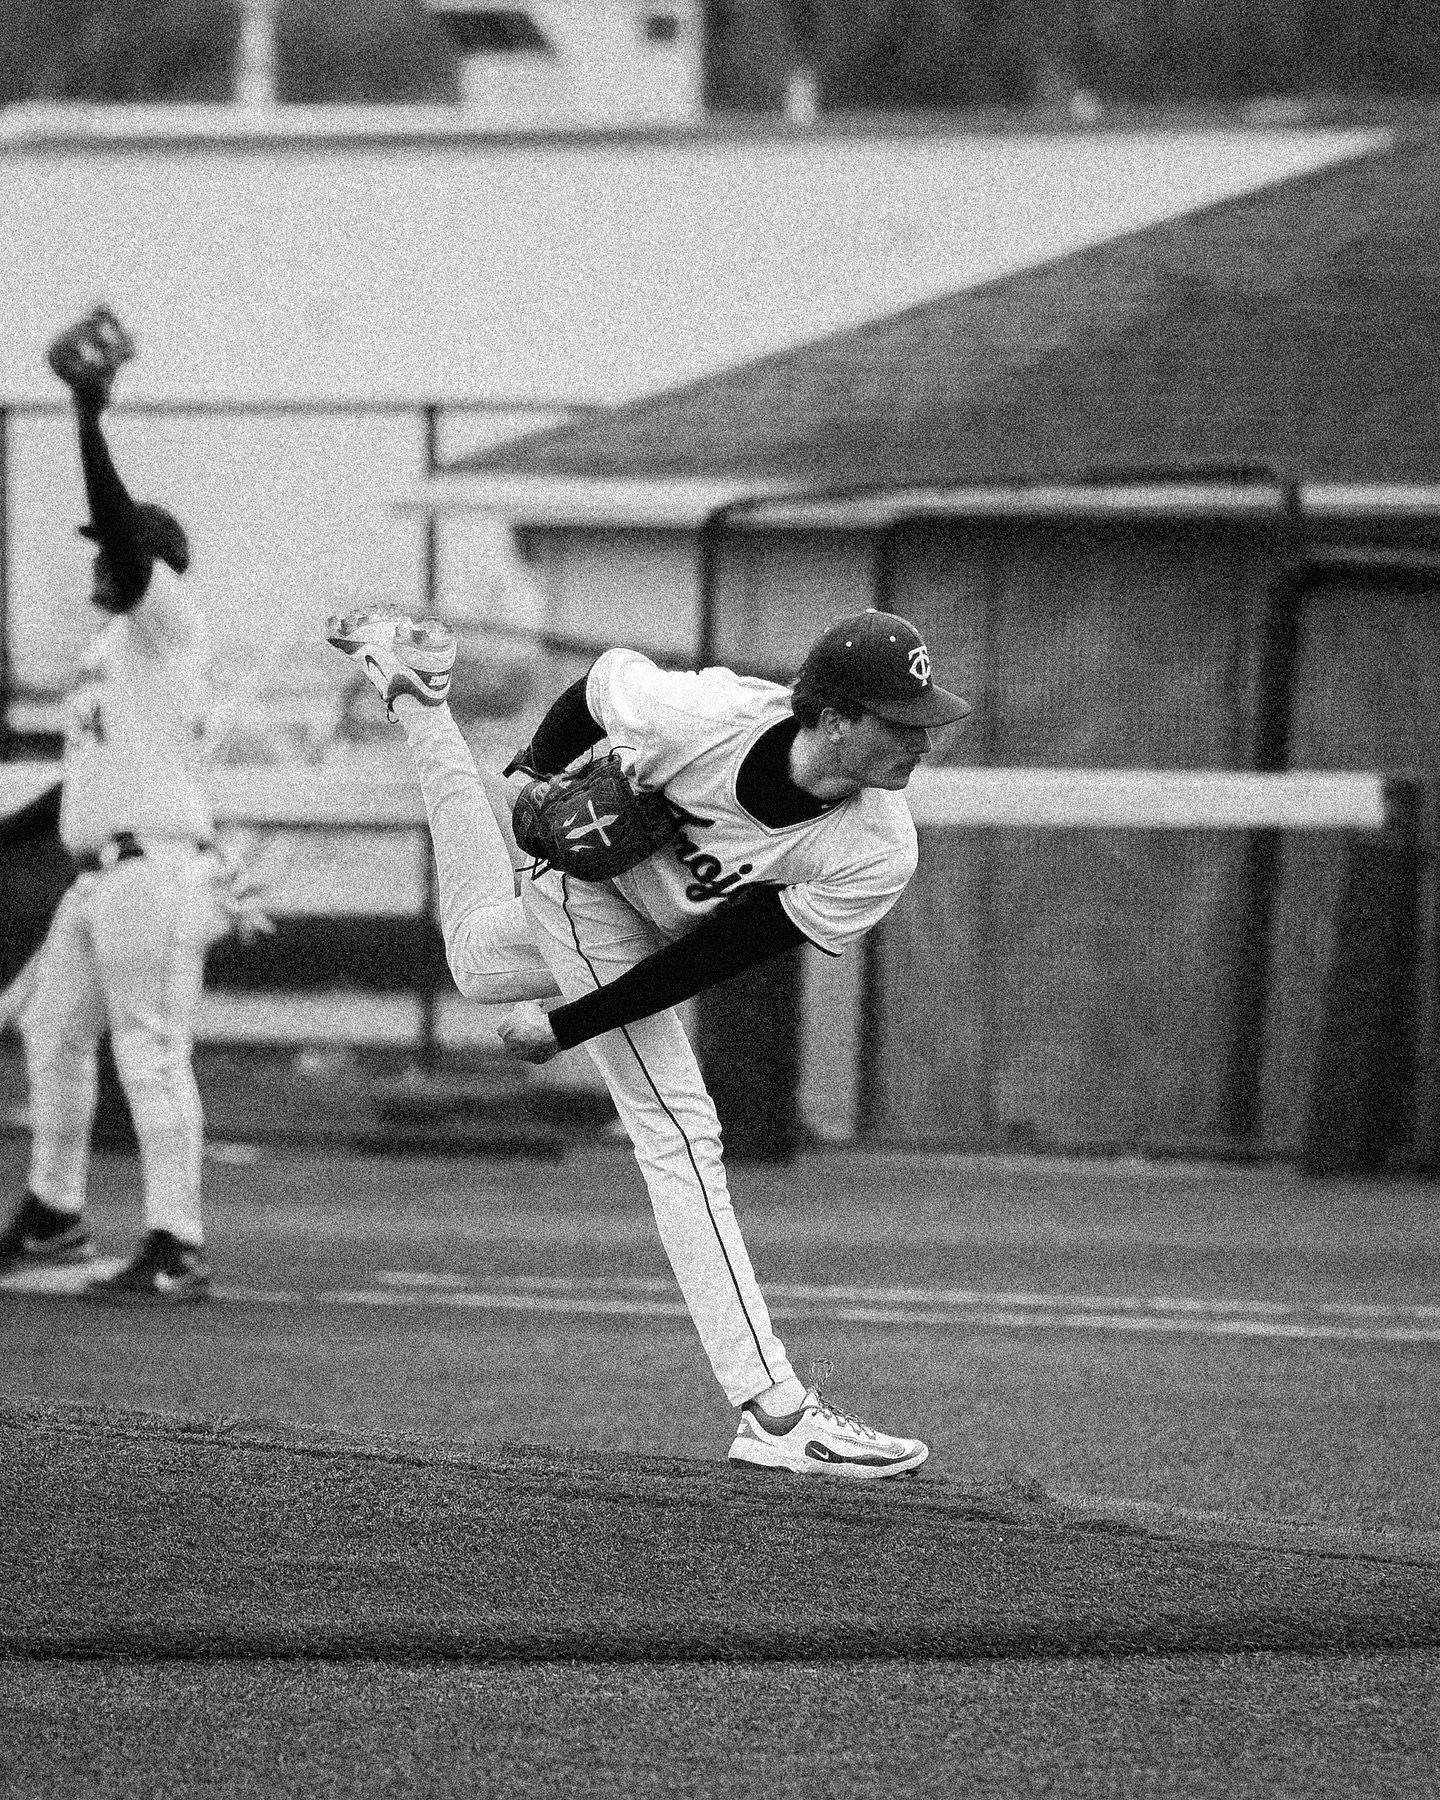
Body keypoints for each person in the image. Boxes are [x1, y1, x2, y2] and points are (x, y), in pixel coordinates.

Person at [326, 604, 970, 1477]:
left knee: (480, 962)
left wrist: (563, 1025)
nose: (922, 743)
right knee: (679, 1126)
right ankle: (776, 1412)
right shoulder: (702, 716)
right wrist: (529, 776)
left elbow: (718, 955)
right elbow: (596, 688)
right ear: (831, 720)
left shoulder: (876, 848)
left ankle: (420, 702)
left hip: (662, 938)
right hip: (586, 891)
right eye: (901, 725)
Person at [0, 311, 248, 1302]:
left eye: (108, 549)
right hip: (105, 873)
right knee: (51, 1028)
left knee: (149, 1051)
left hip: (156, 871)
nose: (94, 559)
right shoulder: (115, 656)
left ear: (144, 565)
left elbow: (122, 534)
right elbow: (92, 780)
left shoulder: (168, 622)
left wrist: (88, 417)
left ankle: (175, 1242)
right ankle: (56, 1216)